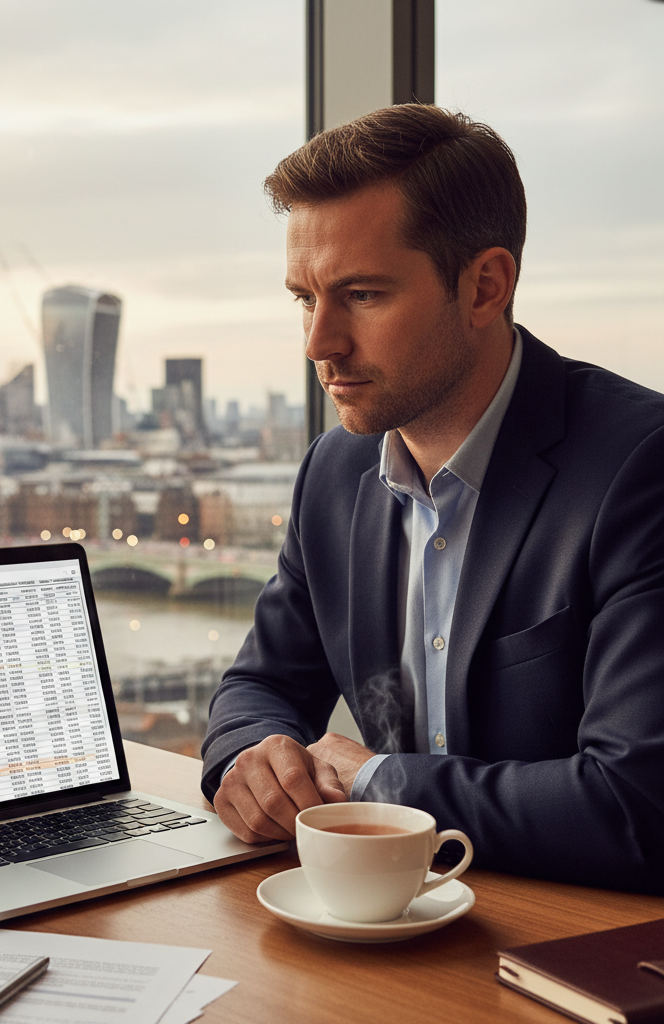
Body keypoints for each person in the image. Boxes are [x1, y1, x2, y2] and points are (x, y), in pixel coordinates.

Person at [200, 104, 664, 893]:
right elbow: (261, 686)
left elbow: (636, 805)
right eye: (305, 299)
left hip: (583, 947)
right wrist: (254, 759)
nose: (319, 343)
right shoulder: (333, 471)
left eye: (363, 295)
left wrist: (381, 783)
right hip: (393, 925)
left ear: (485, 286)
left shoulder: (640, 468)